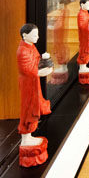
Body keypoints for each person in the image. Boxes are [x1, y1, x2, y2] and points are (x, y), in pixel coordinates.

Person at [17, 23, 53, 167]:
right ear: (25, 35)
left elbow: (35, 62)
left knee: (34, 106)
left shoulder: (31, 46)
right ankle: (25, 137)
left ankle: (29, 134)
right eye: (34, 35)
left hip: (34, 83)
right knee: (28, 109)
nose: (37, 37)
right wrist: (40, 72)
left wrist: (44, 60)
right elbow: (27, 69)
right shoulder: (22, 51)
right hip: (28, 85)